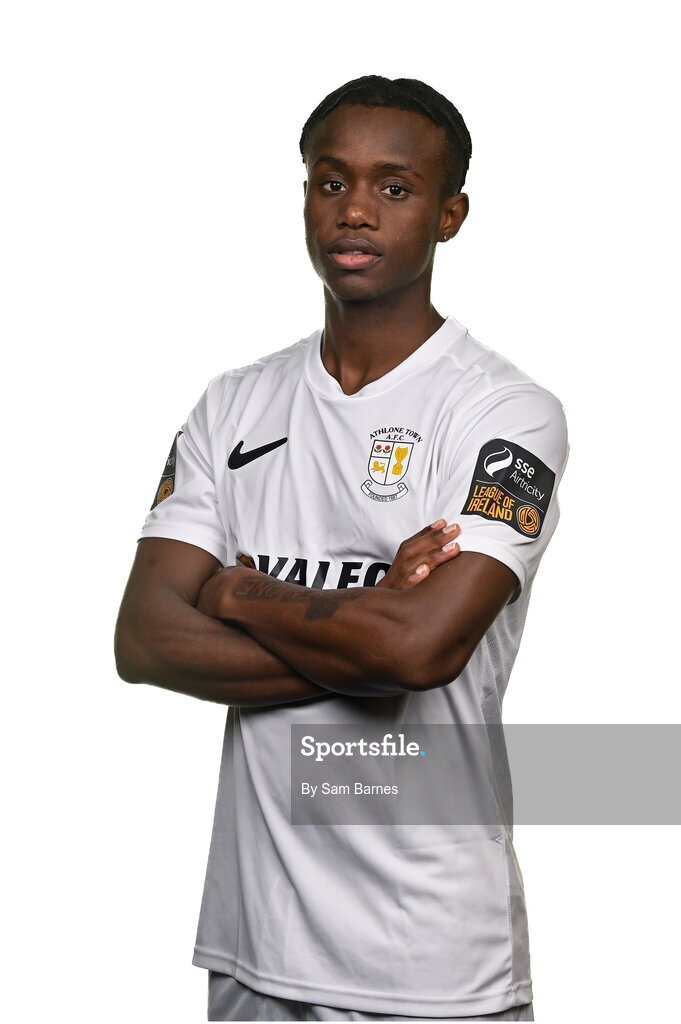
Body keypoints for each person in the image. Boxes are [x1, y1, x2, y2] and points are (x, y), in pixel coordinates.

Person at [115, 75, 568, 1022]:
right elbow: (144, 641)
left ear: (450, 216)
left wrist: (235, 591)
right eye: (330, 182)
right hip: (253, 944)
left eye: (394, 188)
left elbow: (418, 652)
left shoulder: (504, 415)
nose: (355, 210)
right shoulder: (233, 404)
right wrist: (367, 631)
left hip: (428, 959)